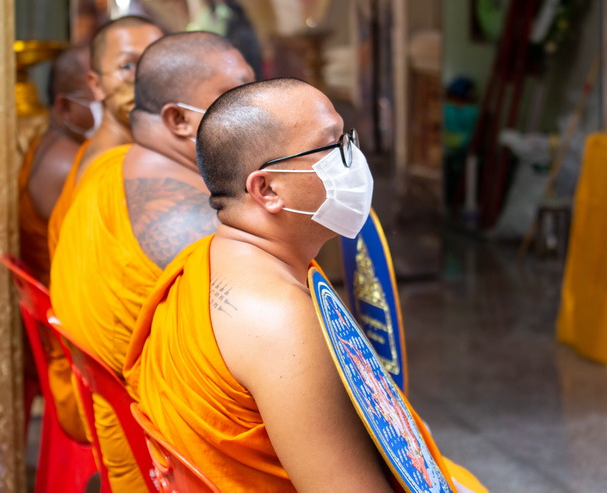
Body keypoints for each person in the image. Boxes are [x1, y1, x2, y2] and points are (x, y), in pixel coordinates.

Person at [125, 78, 485, 492]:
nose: (353, 160)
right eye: (332, 146)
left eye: (347, 138)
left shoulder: (208, 257)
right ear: (267, 189)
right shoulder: (279, 322)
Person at [50, 32, 254, 492]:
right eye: (235, 97)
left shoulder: (108, 167)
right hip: (176, 469)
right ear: (179, 119)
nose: (258, 110)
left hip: (122, 448)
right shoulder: (201, 226)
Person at [47, 16, 163, 257]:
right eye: (127, 66)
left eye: (158, 62)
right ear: (96, 85)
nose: (147, 77)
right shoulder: (117, 167)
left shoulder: (131, 152)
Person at [18, 45, 96, 287]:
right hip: (60, 297)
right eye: (100, 97)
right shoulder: (69, 163)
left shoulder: (49, 139)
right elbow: (95, 254)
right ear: (65, 106)